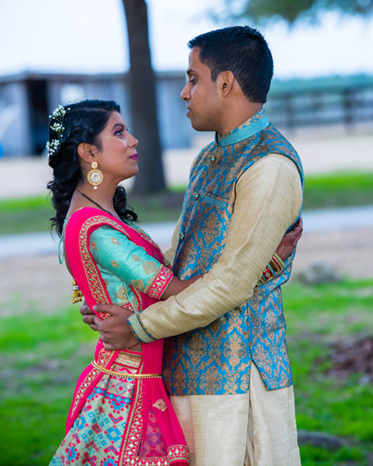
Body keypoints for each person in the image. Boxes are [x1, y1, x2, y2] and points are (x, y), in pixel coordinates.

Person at [81, 26, 304, 466]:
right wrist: (113, 288)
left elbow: (230, 285)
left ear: (225, 83)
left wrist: (138, 326)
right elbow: (184, 261)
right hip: (184, 365)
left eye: (192, 78)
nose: (184, 93)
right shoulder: (210, 159)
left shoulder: (270, 166)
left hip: (237, 378)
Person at [47, 100, 196, 466]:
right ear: (88, 152)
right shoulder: (97, 229)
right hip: (129, 389)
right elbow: (180, 294)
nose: (133, 140)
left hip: (125, 375)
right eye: (118, 132)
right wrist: (262, 263)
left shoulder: (95, 215)